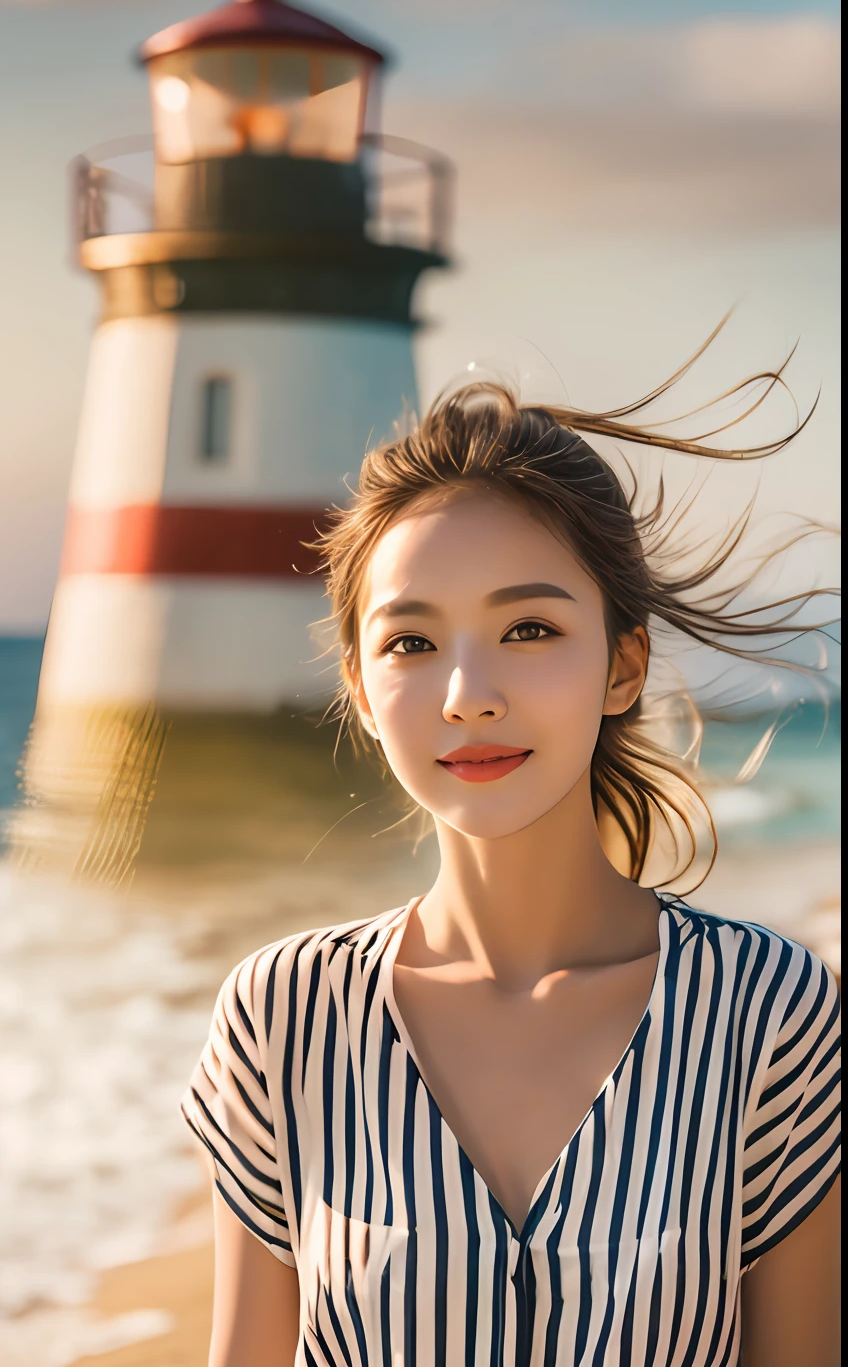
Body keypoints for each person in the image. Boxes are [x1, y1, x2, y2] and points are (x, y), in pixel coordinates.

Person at [182, 345, 841, 1366]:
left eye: (528, 628)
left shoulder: (769, 1013)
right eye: (410, 642)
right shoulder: (283, 1016)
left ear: (623, 666)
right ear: (359, 689)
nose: (466, 694)